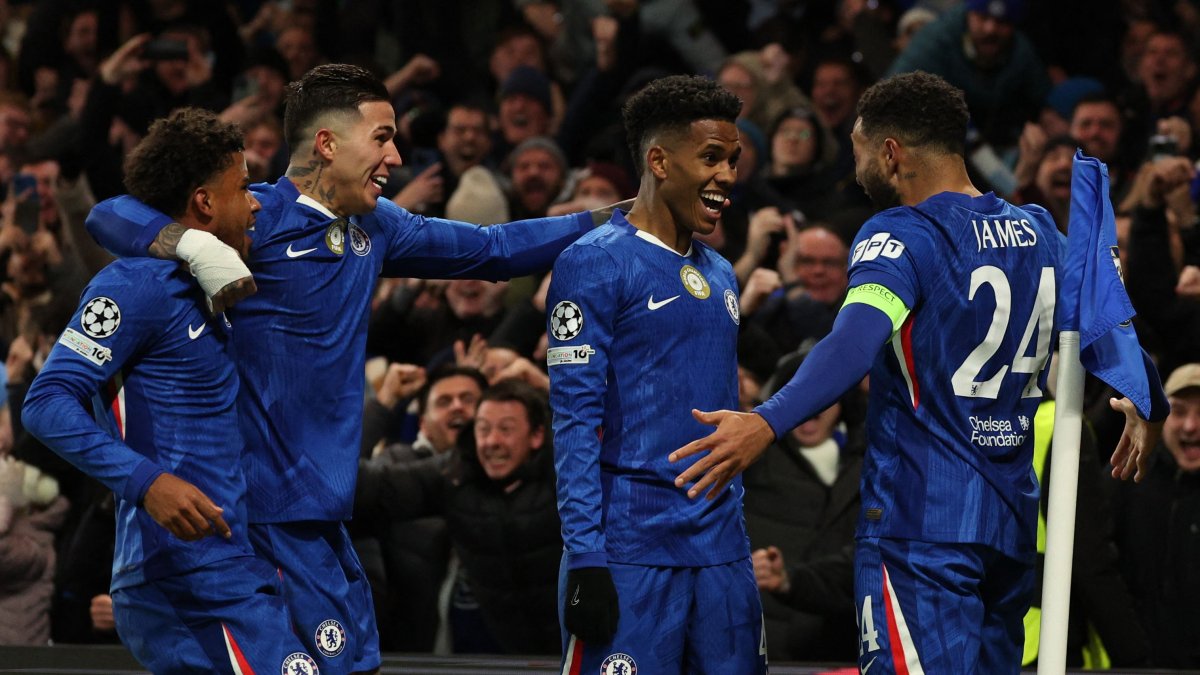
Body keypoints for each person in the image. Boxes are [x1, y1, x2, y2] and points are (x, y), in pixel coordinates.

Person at [83, 63, 613, 673]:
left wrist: (613, 220)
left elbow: (492, 249)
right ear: (328, 144)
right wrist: (192, 243)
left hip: (327, 516)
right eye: (382, 137)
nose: (394, 155)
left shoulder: (376, 226)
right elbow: (107, 214)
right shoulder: (253, 219)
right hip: (255, 516)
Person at [670, 71, 1167, 674]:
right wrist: (1143, 394)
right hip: (1009, 530)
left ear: (890, 151)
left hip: (919, 527)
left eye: (857, 150)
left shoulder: (902, 235)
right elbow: (1105, 315)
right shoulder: (1040, 232)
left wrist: (765, 422)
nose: (855, 171)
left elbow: (852, 345)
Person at [21, 108, 318, 672]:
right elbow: (47, 402)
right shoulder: (135, 282)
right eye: (242, 188)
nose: (255, 203)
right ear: (205, 202)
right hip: (180, 573)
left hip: (230, 566)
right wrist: (147, 482)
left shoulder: (214, 287)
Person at [547, 74, 766, 674]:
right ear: (659, 161)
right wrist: (587, 557)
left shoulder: (721, 271)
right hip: (629, 550)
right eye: (712, 158)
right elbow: (574, 424)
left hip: (723, 554)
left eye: (734, 160)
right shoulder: (593, 263)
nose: (727, 175)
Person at [354, 378, 561, 655]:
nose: (492, 442)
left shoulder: (566, 473)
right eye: (483, 429)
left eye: (506, 429)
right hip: (490, 656)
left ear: (536, 435)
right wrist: (380, 407)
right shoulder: (455, 474)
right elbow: (365, 488)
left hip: (576, 649)